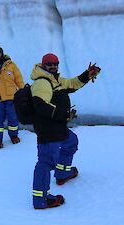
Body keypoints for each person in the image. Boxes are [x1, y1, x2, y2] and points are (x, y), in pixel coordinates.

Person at [30, 53, 101, 209]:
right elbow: (40, 105)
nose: (53, 66)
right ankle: (40, 199)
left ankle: (62, 174)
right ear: (43, 65)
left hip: (58, 126)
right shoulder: (42, 82)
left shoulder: (55, 79)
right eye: (49, 64)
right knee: (45, 163)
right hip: (48, 130)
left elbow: (71, 84)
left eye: (56, 63)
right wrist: (64, 114)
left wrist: (86, 75)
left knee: (71, 142)